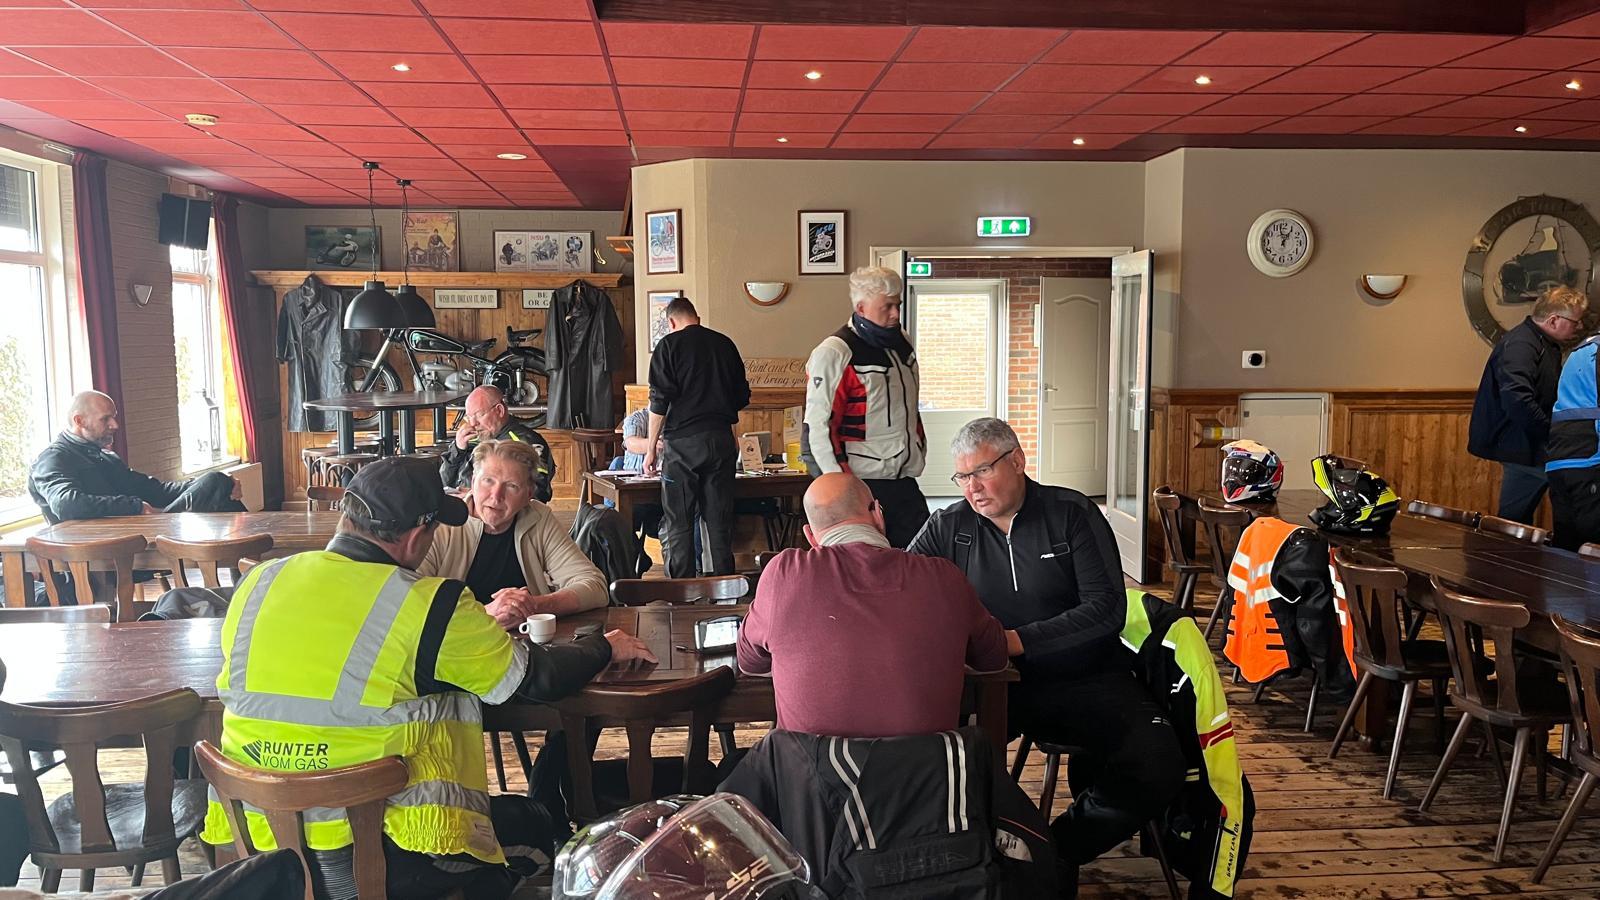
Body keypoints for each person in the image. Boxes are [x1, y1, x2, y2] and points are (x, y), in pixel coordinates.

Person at [200, 456, 656, 900]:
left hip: (263, 852)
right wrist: (603, 646)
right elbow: (536, 678)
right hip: (384, 858)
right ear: (418, 536)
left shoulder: (259, 582)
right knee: (535, 826)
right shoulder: (430, 604)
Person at [907, 418, 1184, 890]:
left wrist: (1014, 640)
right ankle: (972, 861)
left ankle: (1056, 851)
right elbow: (899, 588)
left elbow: (1107, 610)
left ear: (1017, 461)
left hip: (1086, 676)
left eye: (983, 471)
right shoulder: (949, 526)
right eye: (962, 477)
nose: (972, 488)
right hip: (995, 685)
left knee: (1159, 764)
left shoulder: (1071, 513)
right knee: (925, 757)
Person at [737, 472, 1008, 738]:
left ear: (810, 535)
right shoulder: (945, 576)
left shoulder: (784, 573)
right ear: (878, 513)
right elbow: (994, 658)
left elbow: (750, 663)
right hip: (926, 766)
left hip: (811, 766)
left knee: (736, 763)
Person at [801, 266, 929, 548]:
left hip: (904, 479)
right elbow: (819, 429)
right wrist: (841, 490)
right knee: (865, 563)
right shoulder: (835, 353)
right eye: (887, 307)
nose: (895, 314)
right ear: (861, 307)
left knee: (921, 555)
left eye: (897, 305)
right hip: (863, 484)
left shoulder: (903, 344)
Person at [419, 439, 608, 623]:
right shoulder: (441, 523)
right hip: (458, 639)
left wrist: (533, 606)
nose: (496, 496)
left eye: (511, 486)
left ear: (528, 495)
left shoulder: (538, 519)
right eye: (488, 481)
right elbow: (412, 601)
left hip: (526, 638)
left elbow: (594, 586)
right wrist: (485, 614)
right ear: (473, 482)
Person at [642, 297, 751, 577]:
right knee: (720, 522)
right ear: (697, 318)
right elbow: (741, 397)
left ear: (671, 322)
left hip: (683, 445)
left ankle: (684, 591)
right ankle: (726, 589)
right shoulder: (725, 344)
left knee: (679, 522)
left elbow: (659, 401)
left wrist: (651, 448)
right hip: (721, 440)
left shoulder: (668, 346)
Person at [28, 390, 243, 524]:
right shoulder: (53, 458)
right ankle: (253, 572)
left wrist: (203, 485)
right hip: (101, 551)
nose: (115, 425)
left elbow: (156, 491)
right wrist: (135, 507)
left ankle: (250, 572)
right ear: (79, 421)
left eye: (114, 417)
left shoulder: (106, 457)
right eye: (105, 419)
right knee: (215, 482)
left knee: (217, 482)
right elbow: (66, 505)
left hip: (134, 536)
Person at [1468, 285, 1588, 524]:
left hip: (1527, 443)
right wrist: (1552, 434)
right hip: (1521, 446)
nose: (1580, 327)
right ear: (1553, 320)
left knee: (1516, 518)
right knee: (1515, 520)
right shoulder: (1522, 344)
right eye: (1575, 322)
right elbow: (1517, 400)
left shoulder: (1538, 341)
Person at [439, 385, 555, 503]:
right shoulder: (470, 438)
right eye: (469, 417)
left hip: (497, 511)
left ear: (499, 410)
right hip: (458, 507)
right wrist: (458, 449)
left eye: (479, 415)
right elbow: (443, 482)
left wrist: (476, 496)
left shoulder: (527, 442)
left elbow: (537, 495)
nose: (473, 423)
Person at [1546, 328, 1600, 550]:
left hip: (1560, 460)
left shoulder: (1583, 348)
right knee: (1592, 550)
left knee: (1566, 550)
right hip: (1590, 460)